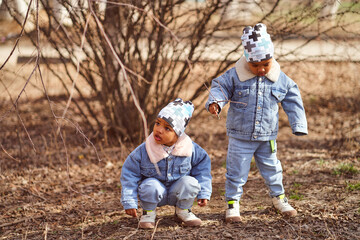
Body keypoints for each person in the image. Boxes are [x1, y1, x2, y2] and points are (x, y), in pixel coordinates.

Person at [205, 23, 308, 222]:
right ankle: (232, 204)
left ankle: (279, 198)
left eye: (265, 64)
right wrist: (216, 102)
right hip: (240, 136)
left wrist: (299, 125)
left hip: (267, 136)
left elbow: (293, 98)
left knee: (273, 169)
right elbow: (219, 87)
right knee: (236, 171)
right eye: (255, 65)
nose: (261, 69)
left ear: (272, 58)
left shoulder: (279, 78)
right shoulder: (235, 75)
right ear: (246, 59)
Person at [121, 98, 212, 228]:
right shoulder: (144, 150)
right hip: (154, 193)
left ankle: (183, 210)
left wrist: (204, 192)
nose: (159, 130)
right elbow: (129, 174)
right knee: (150, 185)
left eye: (167, 128)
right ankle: (149, 213)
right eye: (158, 123)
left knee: (190, 183)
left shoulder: (190, 149)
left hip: (178, 192)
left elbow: (203, 170)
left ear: (178, 134)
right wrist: (129, 201)